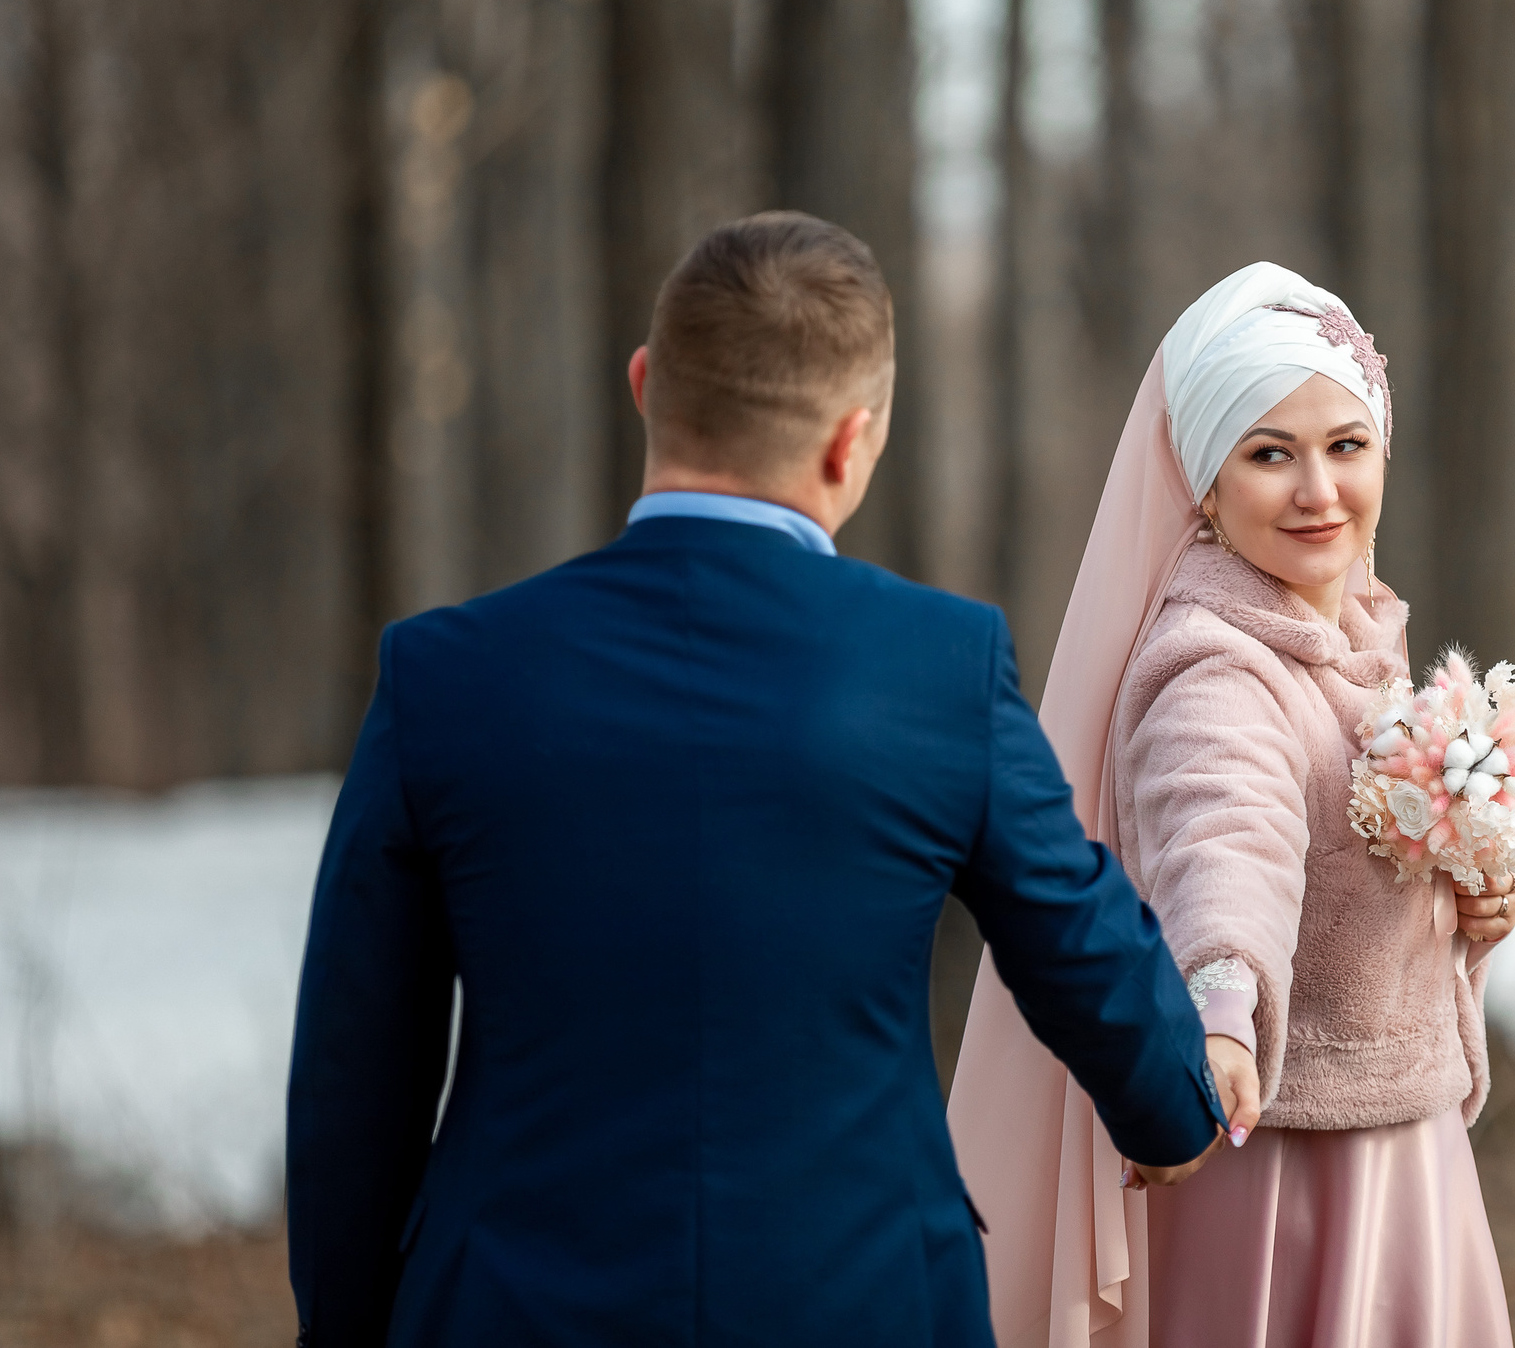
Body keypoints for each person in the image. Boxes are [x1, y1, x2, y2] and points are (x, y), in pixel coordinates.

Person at [285, 212, 1232, 1348]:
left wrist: (343, 1325)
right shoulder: (937, 668)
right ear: (852, 442)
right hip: (862, 1300)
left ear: (645, 385)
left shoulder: (444, 675)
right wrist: (1172, 1108)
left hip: (512, 1307)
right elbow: (1077, 941)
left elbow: (356, 1069)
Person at [949, 262, 1515, 1348]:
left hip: (1405, 1148)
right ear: (1205, 485)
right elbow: (1224, 834)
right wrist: (1221, 1003)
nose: (1318, 491)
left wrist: (1471, 906)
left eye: (1345, 447)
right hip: (1281, 1170)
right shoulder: (1211, 664)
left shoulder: (1365, 640)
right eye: (1270, 455)